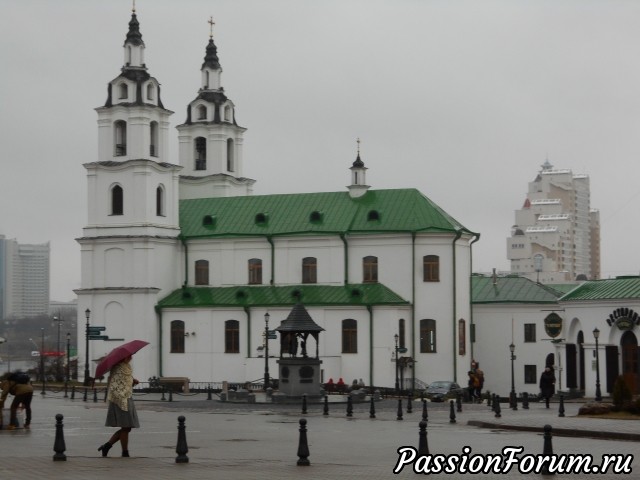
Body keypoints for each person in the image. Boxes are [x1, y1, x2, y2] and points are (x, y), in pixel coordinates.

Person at [98, 355, 140, 457]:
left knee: (127, 427)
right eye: (129, 356)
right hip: (119, 400)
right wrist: (129, 384)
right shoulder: (118, 368)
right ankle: (125, 452)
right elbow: (115, 385)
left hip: (127, 397)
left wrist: (133, 382)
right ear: (123, 357)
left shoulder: (127, 368)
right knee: (126, 427)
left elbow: (126, 384)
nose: (131, 357)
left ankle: (107, 446)